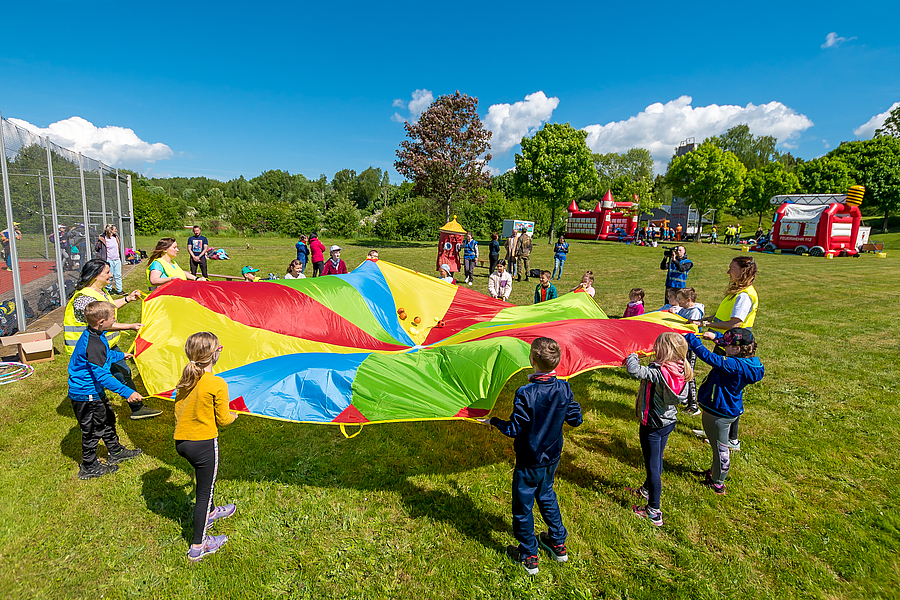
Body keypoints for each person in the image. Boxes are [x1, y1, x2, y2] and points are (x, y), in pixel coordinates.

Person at [479, 337, 582, 574]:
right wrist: (568, 405)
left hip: (529, 461)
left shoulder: (526, 393)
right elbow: (576, 419)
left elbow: (515, 429)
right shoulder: (564, 387)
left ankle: (528, 554)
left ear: (532, 360)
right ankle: (557, 542)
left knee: (522, 506)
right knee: (546, 494)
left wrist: (494, 421)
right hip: (552, 458)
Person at [64, 259, 161, 420]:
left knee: (122, 372)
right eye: (107, 272)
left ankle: (133, 407)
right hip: (90, 349)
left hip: (104, 345)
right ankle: (93, 414)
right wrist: (130, 326)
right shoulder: (83, 298)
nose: (111, 275)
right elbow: (100, 323)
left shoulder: (100, 291)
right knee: (99, 378)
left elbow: (108, 307)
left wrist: (128, 299)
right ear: (95, 276)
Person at [173, 332, 238, 562]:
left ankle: (211, 511)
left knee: (204, 485)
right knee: (203, 492)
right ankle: (199, 546)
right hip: (203, 444)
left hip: (182, 442)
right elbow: (223, 419)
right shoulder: (216, 383)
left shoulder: (185, 379)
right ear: (215, 354)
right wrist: (235, 415)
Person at [67, 301, 145, 479]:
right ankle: (89, 466)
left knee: (108, 419)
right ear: (101, 321)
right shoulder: (92, 344)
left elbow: (106, 355)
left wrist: (120, 355)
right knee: (93, 429)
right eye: (113, 318)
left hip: (94, 391)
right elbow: (103, 376)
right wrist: (128, 392)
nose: (115, 320)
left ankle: (115, 451)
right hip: (86, 394)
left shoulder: (97, 335)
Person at [624, 332, 693, 526]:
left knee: (652, 466)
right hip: (668, 422)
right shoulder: (681, 367)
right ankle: (647, 490)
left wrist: (632, 356)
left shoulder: (659, 372)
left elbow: (634, 371)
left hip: (652, 424)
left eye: (657, 347)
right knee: (657, 460)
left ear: (665, 351)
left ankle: (654, 511)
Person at [686, 329, 765, 494]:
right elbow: (724, 346)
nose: (723, 346)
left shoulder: (733, 365)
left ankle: (718, 483)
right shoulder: (744, 362)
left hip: (719, 413)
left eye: (727, 345)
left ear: (737, 349)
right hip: (726, 409)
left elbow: (708, 357)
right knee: (717, 446)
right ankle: (715, 473)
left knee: (720, 448)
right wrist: (713, 337)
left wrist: (692, 340)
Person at [94, 225, 124, 294]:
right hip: (108, 260)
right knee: (109, 275)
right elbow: (97, 248)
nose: (116, 230)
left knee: (118, 275)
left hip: (117, 259)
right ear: (110, 230)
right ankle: (108, 289)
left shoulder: (115, 237)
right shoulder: (103, 238)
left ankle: (120, 290)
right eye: (114, 229)